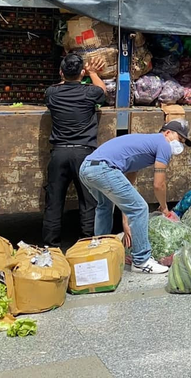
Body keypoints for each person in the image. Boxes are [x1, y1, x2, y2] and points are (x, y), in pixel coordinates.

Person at [78, 120, 191, 274]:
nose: (180, 145)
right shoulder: (163, 144)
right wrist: (164, 208)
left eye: (184, 142)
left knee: (104, 206)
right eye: (180, 139)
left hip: (87, 168)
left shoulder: (144, 146)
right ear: (167, 133)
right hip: (103, 169)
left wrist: (126, 222)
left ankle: (101, 251)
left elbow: (126, 191)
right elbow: (159, 184)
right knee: (140, 208)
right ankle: (141, 260)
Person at [42, 53, 109, 249]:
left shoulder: (51, 93)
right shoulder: (90, 92)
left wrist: (72, 74)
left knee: (54, 202)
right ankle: (86, 244)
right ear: (82, 73)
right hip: (84, 153)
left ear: (60, 72)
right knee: (88, 201)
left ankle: (51, 247)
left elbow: (61, 85)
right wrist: (93, 72)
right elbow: (102, 92)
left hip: (59, 153)